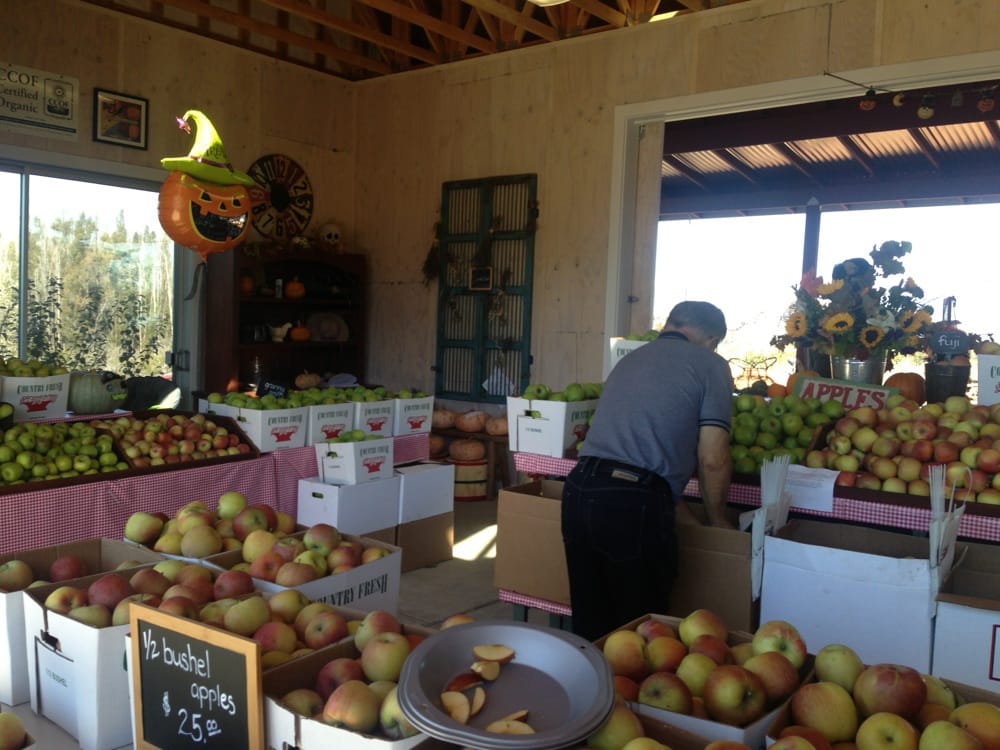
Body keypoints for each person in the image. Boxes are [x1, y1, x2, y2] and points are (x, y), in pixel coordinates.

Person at [561, 300, 735, 641]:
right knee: (642, 633)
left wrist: (688, 518)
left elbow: (641, 457)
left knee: (592, 624)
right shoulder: (711, 364)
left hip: (579, 491)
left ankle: (591, 675)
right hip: (632, 504)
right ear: (712, 340)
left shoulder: (630, 360)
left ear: (670, 325)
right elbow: (713, 458)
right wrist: (717, 521)